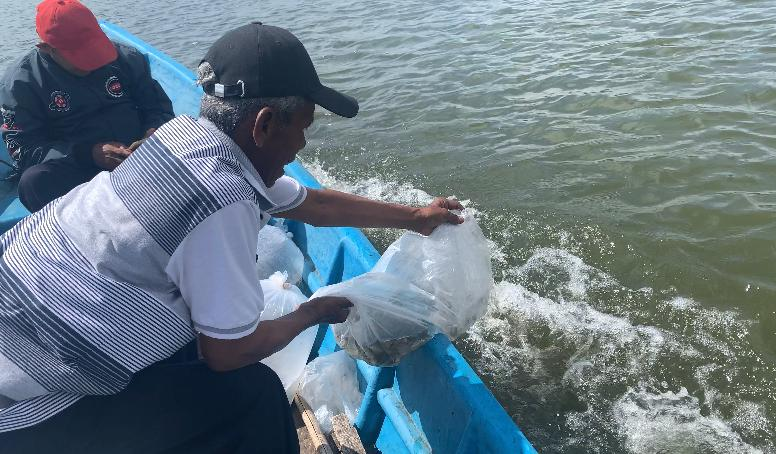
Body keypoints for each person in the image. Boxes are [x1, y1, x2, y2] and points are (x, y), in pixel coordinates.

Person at [0, 22, 463, 453]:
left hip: (20, 334)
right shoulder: (222, 200)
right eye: (303, 128)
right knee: (254, 395)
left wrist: (415, 217)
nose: (302, 145)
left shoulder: (182, 139)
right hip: (24, 411)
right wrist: (311, 312)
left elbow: (315, 205)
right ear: (264, 124)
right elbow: (228, 353)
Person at [0, 0, 174, 212]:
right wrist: (90, 153)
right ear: (46, 48)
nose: (93, 62)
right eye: (81, 57)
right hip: (81, 169)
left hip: (141, 155)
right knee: (33, 182)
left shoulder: (126, 58)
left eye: (95, 50)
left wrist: (152, 133)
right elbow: (25, 150)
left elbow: (157, 106)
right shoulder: (21, 83)